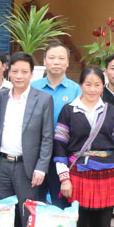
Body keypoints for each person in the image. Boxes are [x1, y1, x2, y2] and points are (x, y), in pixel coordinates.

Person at [56, 66, 114, 227]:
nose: (92, 89)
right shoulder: (69, 110)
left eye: (97, 85)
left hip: (107, 175)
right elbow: (60, 144)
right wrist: (64, 178)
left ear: (103, 86)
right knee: (79, 224)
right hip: (77, 174)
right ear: (80, 85)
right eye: (88, 84)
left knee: (102, 226)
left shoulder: (110, 110)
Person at [0, 52, 54, 227]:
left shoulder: (43, 99)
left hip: (27, 167)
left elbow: (47, 137)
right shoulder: (0, 97)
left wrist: (41, 168)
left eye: (24, 72)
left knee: (27, 215)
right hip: (1, 164)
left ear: (32, 74)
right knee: (2, 214)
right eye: (15, 71)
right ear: (8, 72)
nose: (19, 76)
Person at [32, 42, 81, 207]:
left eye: (61, 58)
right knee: (35, 201)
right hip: (37, 151)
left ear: (67, 62)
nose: (56, 62)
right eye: (52, 58)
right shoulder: (33, 87)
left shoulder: (76, 90)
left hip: (63, 153)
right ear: (44, 61)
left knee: (60, 202)